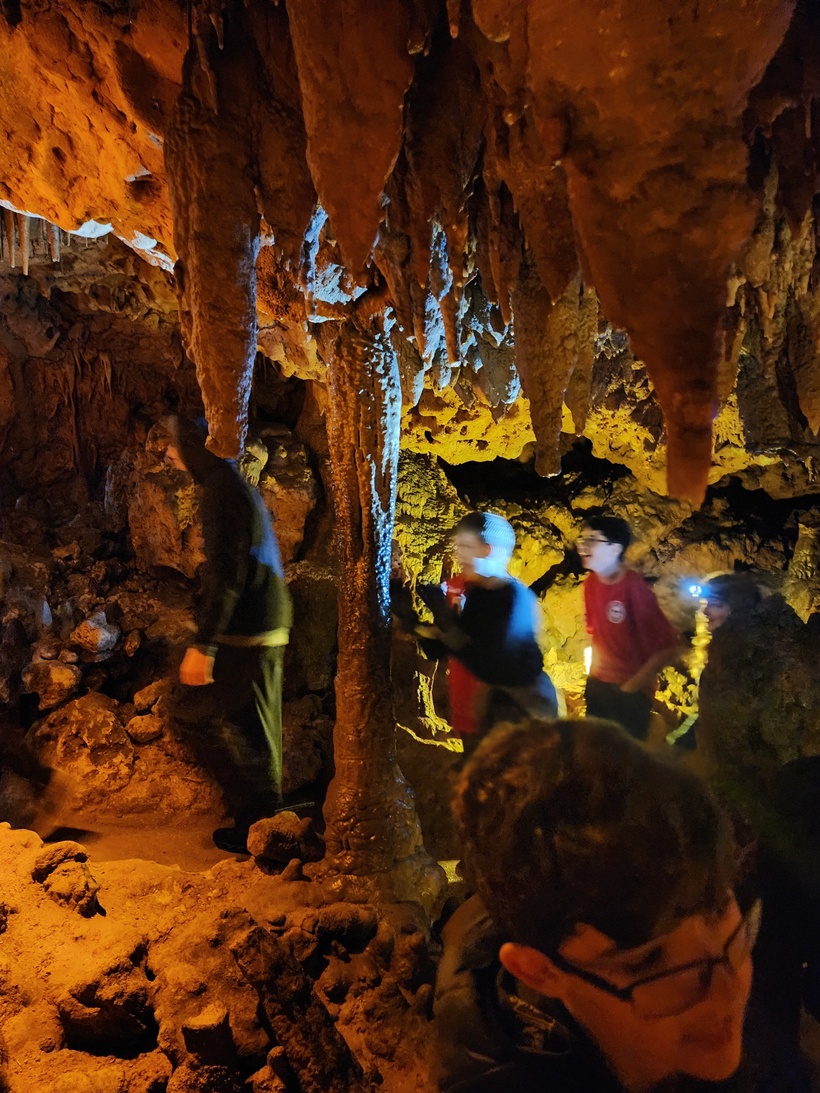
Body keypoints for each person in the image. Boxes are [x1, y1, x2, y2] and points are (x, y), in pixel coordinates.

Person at [434, 717, 758, 1093]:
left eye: (717, 911)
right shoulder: (495, 1079)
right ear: (539, 972)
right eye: (647, 961)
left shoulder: (731, 931)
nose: (727, 994)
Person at [160, 417, 294, 854]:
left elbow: (227, 571)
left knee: (192, 711)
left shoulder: (220, 489)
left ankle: (261, 821)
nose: (169, 453)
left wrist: (205, 644)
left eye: (175, 444)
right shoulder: (230, 483)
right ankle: (263, 824)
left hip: (249, 625)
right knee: (251, 724)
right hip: (265, 617)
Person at [392, 511, 557, 754]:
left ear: (487, 550)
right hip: (486, 717)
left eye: (466, 547)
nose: (459, 555)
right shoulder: (479, 595)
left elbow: (492, 665)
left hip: (523, 721)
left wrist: (447, 623)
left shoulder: (514, 599)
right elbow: (444, 648)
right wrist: (410, 620)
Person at [578, 515, 679, 740]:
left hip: (628, 693)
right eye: (581, 540)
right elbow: (594, 633)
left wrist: (631, 688)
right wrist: (594, 679)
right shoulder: (591, 584)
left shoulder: (632, 587)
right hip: (598, 685)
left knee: (621, 757)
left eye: (592, 540)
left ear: (615, 549)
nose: (583, 546)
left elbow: (668, 648)